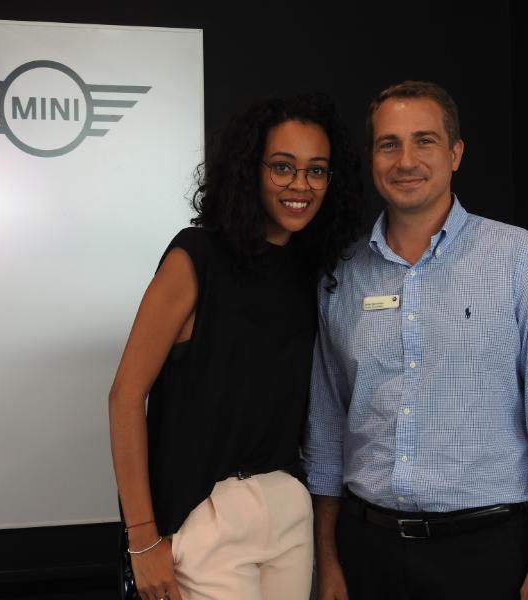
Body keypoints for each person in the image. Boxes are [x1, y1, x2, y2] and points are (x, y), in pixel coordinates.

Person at [303, 80, 528, 600]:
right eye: (389, 144)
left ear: (455, 153)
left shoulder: (516, 257)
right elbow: (326, 434)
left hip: (486, 555)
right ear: (372, 159)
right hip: (366, 552)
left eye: (425, 141)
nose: (406, 160)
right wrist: (327, 560)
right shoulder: (343, 275)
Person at [109, 93, 363, 600]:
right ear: (251, 169)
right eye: (283, 167)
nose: (301, 185)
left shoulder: (313, 272)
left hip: (288, 510)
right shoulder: (196, 257)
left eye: (316, 171)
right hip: (206, 516)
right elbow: (125, 397)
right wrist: (142, 538)